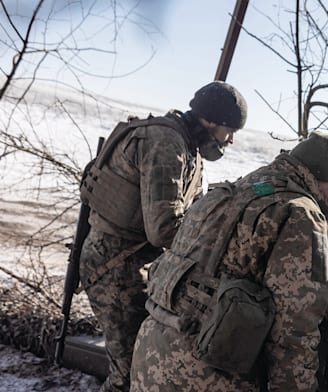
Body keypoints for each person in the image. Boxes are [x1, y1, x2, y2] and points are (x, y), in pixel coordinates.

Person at [130, 131, 328, 392]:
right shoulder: (301, 214)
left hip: (151, 353)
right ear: (316, 176)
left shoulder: (233, 191)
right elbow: (293, 330)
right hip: (205, 374)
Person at [78, 81, 248, 392]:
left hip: (131, 268)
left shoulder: (186, 146)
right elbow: (164, 228)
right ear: (210, 120)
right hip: (114, 268)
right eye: (229, 129)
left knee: (145, 364)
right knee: (128, 371)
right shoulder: (166, 143)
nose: (231, 140)